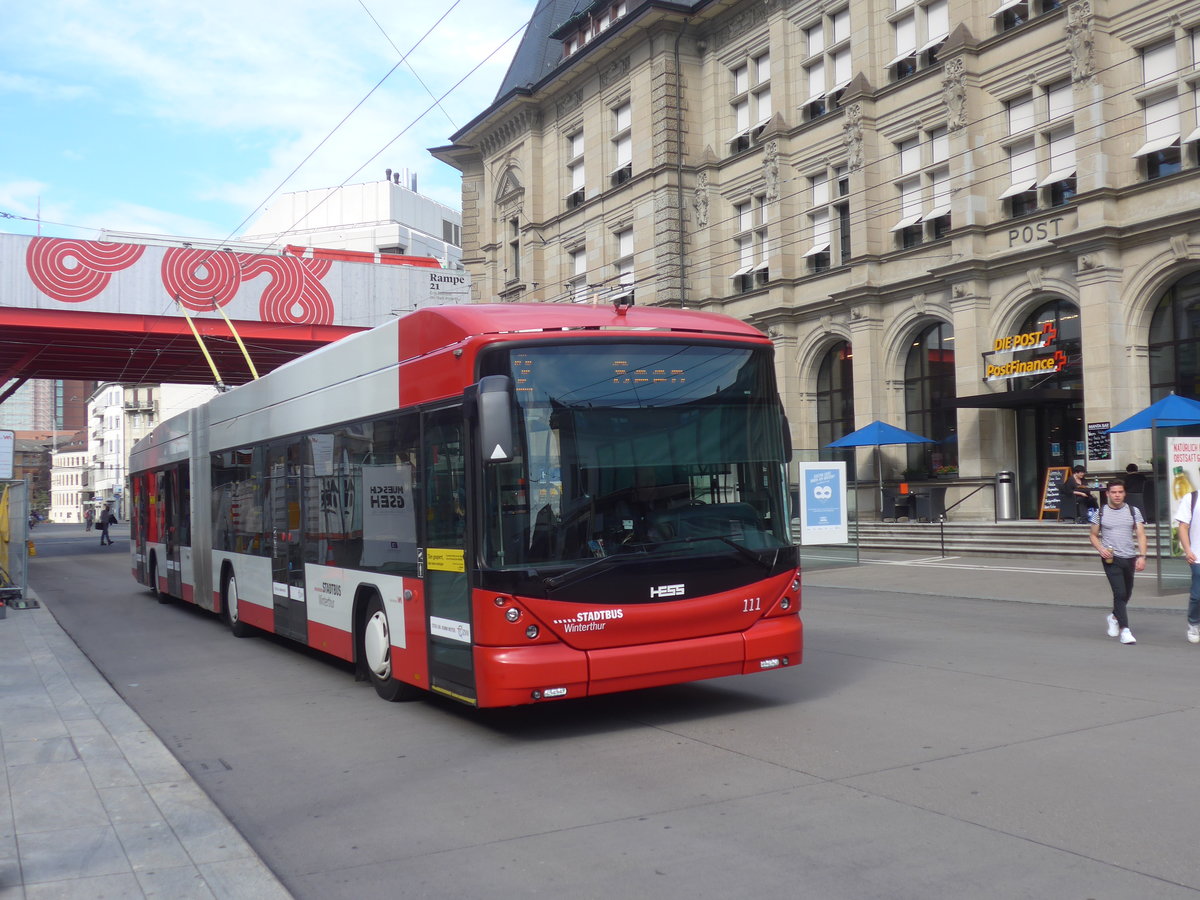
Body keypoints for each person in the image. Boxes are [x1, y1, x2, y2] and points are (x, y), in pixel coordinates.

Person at [1089, 478, 1147, 644]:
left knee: (1127, 593)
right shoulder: (1100, 513)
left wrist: (1142, 556)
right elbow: (1093, 535)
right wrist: (1101, 548)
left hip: (1129, 557)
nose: (1117, 495)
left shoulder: (1133, 511)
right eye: (1113, 492)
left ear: (1124, 493)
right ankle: (1125, 631)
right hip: (1111, 558)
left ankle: (1114, 617)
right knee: (1119, 592)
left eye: (1120, 492)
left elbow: (1141, 534)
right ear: (1107, 494)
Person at [1173, 487, 1200, 644]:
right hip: (1197, 555)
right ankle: (1194, 623)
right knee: (1197, 595)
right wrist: (1188, 549)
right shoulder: (1192, 498)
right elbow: (1183, 526)